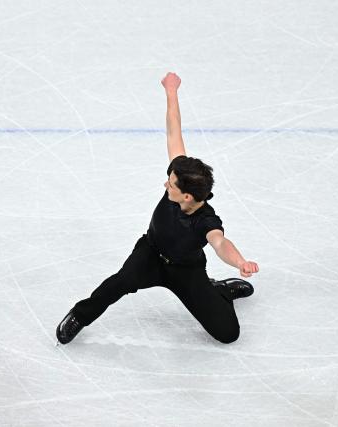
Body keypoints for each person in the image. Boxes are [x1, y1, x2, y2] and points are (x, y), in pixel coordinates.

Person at [56, 73, 259, 345]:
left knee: (228, 334)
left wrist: (240, 263)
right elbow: (174, 131)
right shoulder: (181, 174)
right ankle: (80, 316)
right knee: (119, 282)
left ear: (187, 196)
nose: (166, 184)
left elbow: (221, 243)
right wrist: (172, 92)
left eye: (171, 185)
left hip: (187, 271)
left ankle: (218, 291)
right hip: (149, 254)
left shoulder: (206, 221)